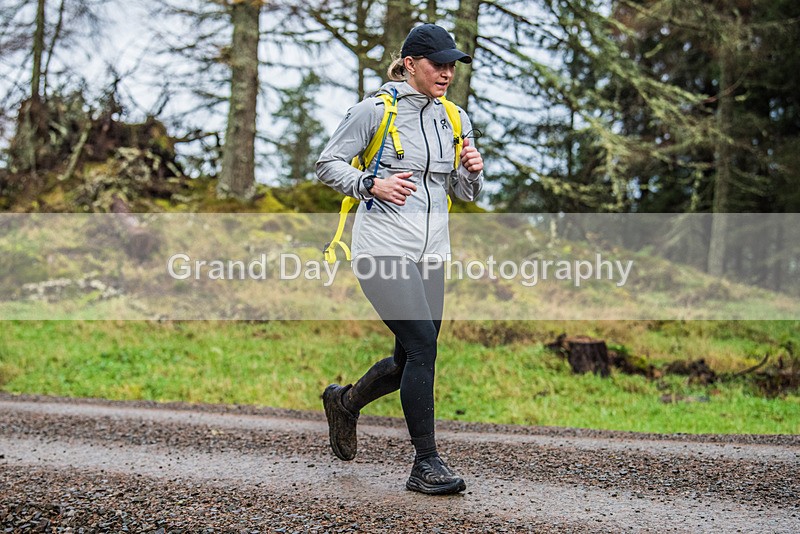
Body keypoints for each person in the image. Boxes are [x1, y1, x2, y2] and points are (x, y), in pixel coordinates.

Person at [315, 23, 484, 495]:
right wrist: (370, 183)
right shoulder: (375, 111)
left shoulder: (455, 119)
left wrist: (473, 171)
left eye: (452, 65)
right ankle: (425, 463)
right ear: (410, 64)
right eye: (438, 64)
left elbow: (463, 192)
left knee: (410, 354)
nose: (447, 72)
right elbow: (327, 162)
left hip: (433, 254)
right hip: (381, 250)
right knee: (424, 347)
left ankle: (345, 403)